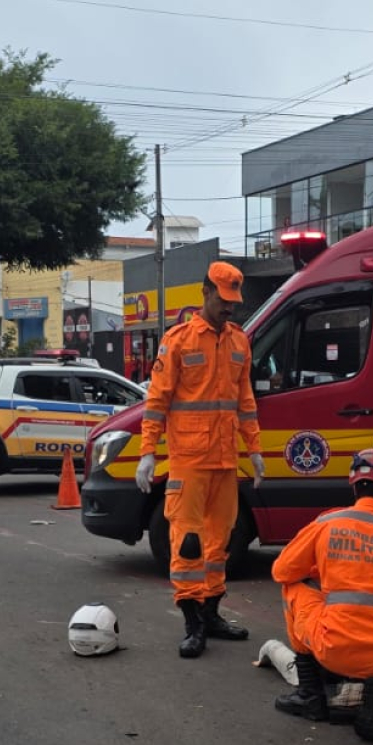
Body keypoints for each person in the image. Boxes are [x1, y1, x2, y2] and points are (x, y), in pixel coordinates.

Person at [135, 262, 265, 658]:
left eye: (234, 302)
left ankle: (211, 613)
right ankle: (192, 622)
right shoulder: (178, 341)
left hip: (225, 461)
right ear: (206, 292)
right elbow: (157, 403)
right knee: (188, 543)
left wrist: (255, 450)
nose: (230, 309)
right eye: (224, 300)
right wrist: (146, 453)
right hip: (189, 461)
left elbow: (245, 402)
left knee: (219, 541)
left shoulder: (240, 342)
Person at [271, 448, 373, 742]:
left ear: (354, 485)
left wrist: (323, 568)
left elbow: (282, 571)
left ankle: (310, 696)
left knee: (292, 588)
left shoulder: (327, 524)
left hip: (333, 647)